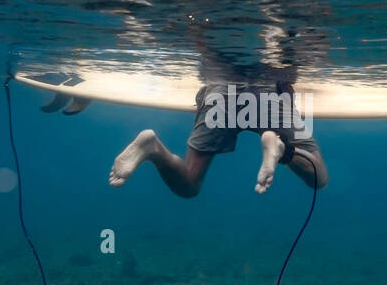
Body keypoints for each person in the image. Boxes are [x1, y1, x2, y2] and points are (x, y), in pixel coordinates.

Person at [108, 79, 328, 197]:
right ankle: (281, 148)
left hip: (220, 90)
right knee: (318, 178)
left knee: (189, 184)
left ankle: (153, 148)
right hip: (271, 92)